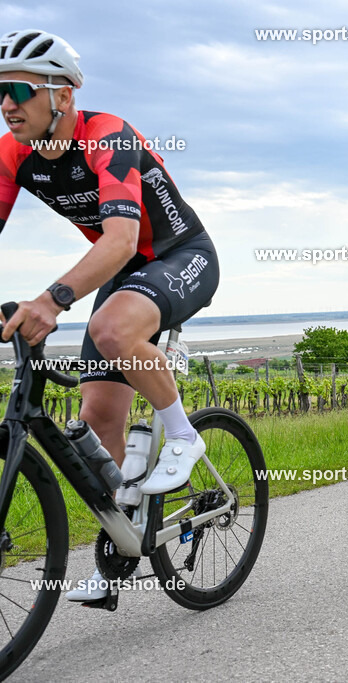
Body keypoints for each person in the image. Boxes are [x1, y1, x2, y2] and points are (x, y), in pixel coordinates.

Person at [0, 30, 218, 600]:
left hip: (180, 255)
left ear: (63, 96)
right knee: (97, 418)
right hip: (124, 273)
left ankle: (183, 436)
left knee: (111, 327)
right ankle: (124, 546)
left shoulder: (107, 136)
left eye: (18, 90)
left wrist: (51, 300)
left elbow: (121, 240)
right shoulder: (12, 154)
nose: (6, 105)